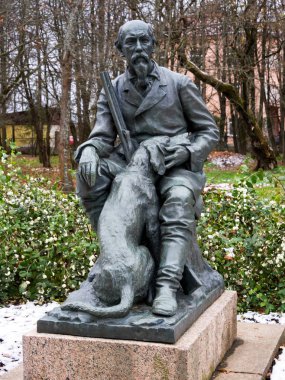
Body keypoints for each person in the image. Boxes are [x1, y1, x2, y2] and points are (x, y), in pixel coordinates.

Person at [74, 20, 219, 317]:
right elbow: (102, 137)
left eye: (144, 41)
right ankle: (115, 259)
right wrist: (89, 149)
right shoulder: (112, 89)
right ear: (120, 49)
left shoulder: (179, 84)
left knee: (178, 198)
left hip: (172, 162)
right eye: (131, 43)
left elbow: (208, 131)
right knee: (89, 177)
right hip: (130, 161)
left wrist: (188, 152)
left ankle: (166, 285)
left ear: (153, 44)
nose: (138, 49)